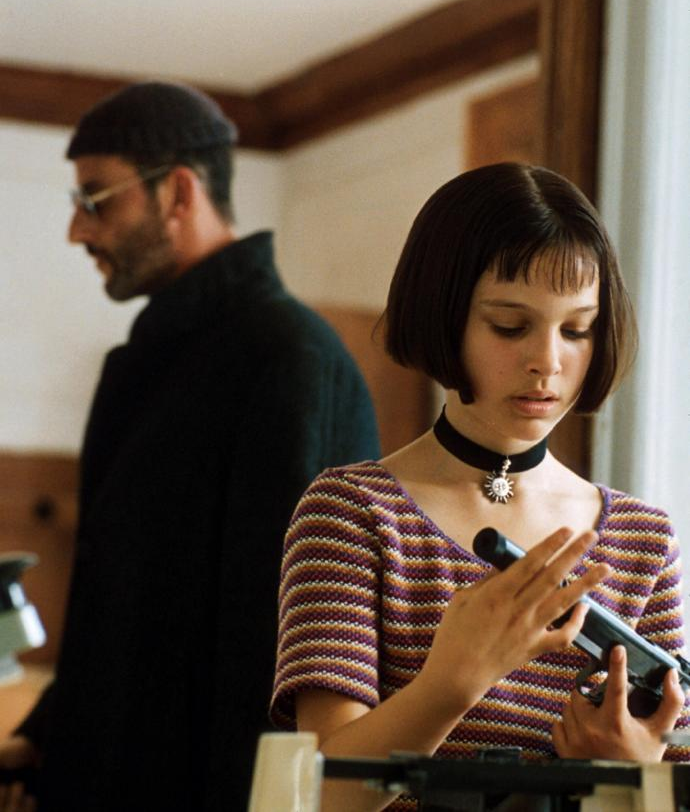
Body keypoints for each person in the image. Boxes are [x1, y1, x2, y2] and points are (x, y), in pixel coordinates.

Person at [0, 81, 380, 812]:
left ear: (177, 192)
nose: (77, 231)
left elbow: (280, 651)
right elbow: (121, 612)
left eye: (95, 199)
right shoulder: (150, 361)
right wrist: (47, 739)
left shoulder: (290, 357)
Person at [270, 162, 690, 812]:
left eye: (576, 329)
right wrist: (455, 679)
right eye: (510, 325)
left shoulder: (644, 540)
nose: (548, 361)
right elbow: (319, 796)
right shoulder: (351, 513)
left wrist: (632, 772)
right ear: (444, 315)